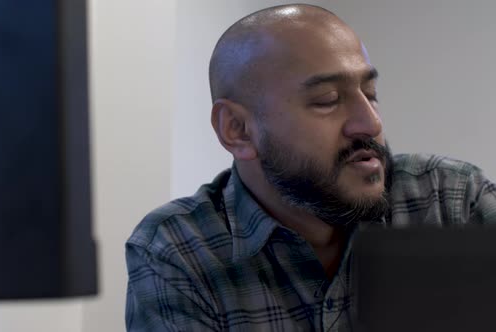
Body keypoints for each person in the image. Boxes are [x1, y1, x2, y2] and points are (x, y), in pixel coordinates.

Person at [125, 4, 496, 331]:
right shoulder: (178, 250)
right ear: (237, 130)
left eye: (370, 94)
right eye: (327, 100)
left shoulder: (452, 199)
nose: (369, 124)